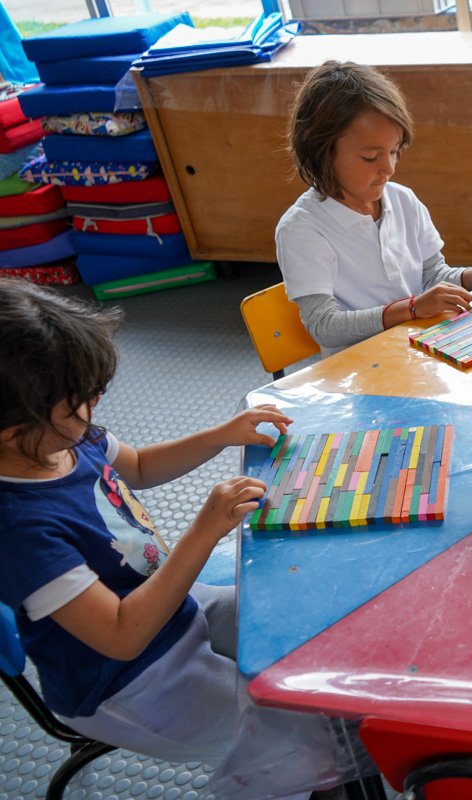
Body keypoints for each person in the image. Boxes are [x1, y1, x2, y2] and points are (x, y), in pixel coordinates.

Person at [0, 278, 355, 799]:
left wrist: (220, 434)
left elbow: (140, 466)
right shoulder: (18, 528)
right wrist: (203, 532)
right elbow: (121, 636)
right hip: (125, 680)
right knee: (302, 749)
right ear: (13, 428)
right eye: (78, 403)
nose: (93, 410)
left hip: (172, 607)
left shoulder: (65, 439)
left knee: (301, 618)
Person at [277, 60, 472, 355]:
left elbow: (431, 276)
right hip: (360, 370)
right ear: (321, 152)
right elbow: (324, 326)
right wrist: (412, 308)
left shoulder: (403, 200)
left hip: (418, 350)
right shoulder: (302, 228)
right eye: (370, 157)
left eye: (394, 152)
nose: (388, 168)